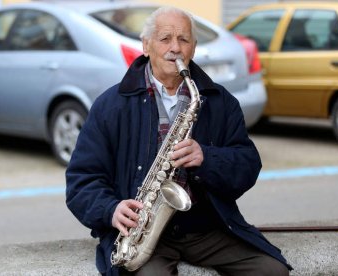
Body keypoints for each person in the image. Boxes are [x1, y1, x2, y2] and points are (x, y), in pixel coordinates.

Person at [66, 6, 292, 276]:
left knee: (272, 271)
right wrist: (110, 209)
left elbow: (247, 165)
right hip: (144, 232)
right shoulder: (111, 106)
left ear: (193, 48)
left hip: (206, 227)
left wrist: (207, 158)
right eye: (165, 39)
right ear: (146, 46)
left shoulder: (219, 102)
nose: (175, 48)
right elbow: (82, 180)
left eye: (183, 39)